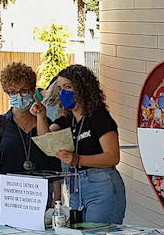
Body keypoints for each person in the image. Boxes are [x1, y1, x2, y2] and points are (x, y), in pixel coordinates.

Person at [36, 64, 126, 224]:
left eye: (68, 87)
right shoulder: (68, 119)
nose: (64, 93)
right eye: (60, 88)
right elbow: (46, 138)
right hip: (76, 186)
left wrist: (78, 159)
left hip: (101, 183)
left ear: (82, 88)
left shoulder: (99, 117)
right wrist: (41, 115)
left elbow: (113, 157)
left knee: (97, 233)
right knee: (79, 233)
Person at [0, 62, 61, 179]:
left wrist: (41, 116)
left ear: (32, 91)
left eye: (24, 91)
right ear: (7, 93)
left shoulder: (44, 122)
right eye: (13, 92)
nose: (19, 96)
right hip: (9, 187)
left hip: (41, 187)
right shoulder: (0, 123)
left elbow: (53, 161)